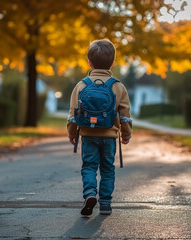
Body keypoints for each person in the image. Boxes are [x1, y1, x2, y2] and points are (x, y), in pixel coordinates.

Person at [67, 39, 132, 216]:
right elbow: (125, 115)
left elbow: (73, 115)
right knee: (107, 168)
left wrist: (72, 133)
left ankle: (89, 194)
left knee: (88, 166)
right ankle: (105, 204)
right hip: (110, 137)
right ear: (112, 62)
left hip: (88, 135)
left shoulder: (81, 85)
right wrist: (126, 134)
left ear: (89, 62)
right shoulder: (118, 86)